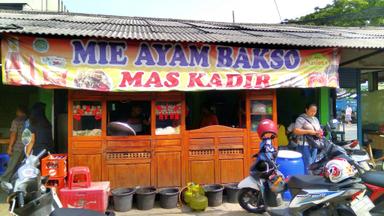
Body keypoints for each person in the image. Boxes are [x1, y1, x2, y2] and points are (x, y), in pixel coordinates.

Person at [0, 105, 28, 182]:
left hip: (17, 147)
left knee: (11, 165)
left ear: (19, 111)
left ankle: (3, 181)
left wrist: (10, 147)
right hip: (27, 148)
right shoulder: (29, 120)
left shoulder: (16, 120)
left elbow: (13, 135)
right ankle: (15, 180)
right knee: (20, 165)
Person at [293, 103, 323, 174]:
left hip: (314, 144)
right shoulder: (301, 119)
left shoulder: (315, 119)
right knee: (308, 163)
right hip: (304, 144)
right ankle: (306, 180)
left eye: (315, 111)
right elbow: (296, 131)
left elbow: (318, 130)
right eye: (311, 111)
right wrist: (309, 131)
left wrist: (319, 133)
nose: (313, 113)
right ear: (306, 110)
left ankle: (310, 179)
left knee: (312, 164)